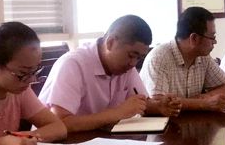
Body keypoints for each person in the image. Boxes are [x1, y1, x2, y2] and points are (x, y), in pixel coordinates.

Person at [39, 15, 181, 133]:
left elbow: (139, 103)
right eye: (131, 55)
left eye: (139, 58)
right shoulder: (73, 64)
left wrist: (158, 106)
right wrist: (117, 113)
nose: (133, 63)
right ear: (110, 43)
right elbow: (60, 122)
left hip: (100, 143)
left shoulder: (125, 67)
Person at [140, 7, 225, 112]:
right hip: (165, 121)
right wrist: (204, 103)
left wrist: (205, 97)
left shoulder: (203, 57)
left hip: (193, 120)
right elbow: (159, 102)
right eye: (212, 37)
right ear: (194, 38)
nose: (215, 42)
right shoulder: (159, 58)